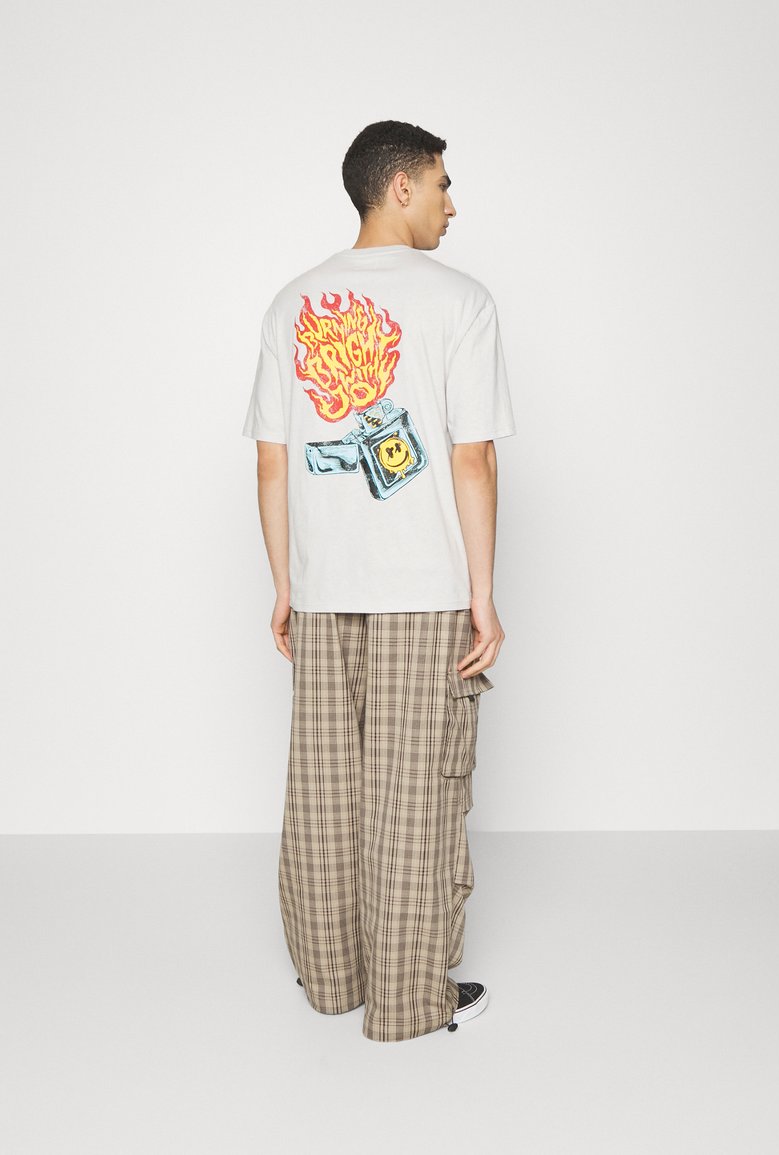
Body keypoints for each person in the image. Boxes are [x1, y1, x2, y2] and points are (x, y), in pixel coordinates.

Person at [241, 120, 516, 1042]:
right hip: (424, 589)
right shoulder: (461, 301)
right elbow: (472, 457)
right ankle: (406, 1002)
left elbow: (272, 460)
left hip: (324, 592)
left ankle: (331, 981)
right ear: (401, 187)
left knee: (323, 790)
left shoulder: (291, 302)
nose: (451, 203)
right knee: (414, 794)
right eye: (441, 182)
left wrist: (286, 584)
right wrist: (483, 594)